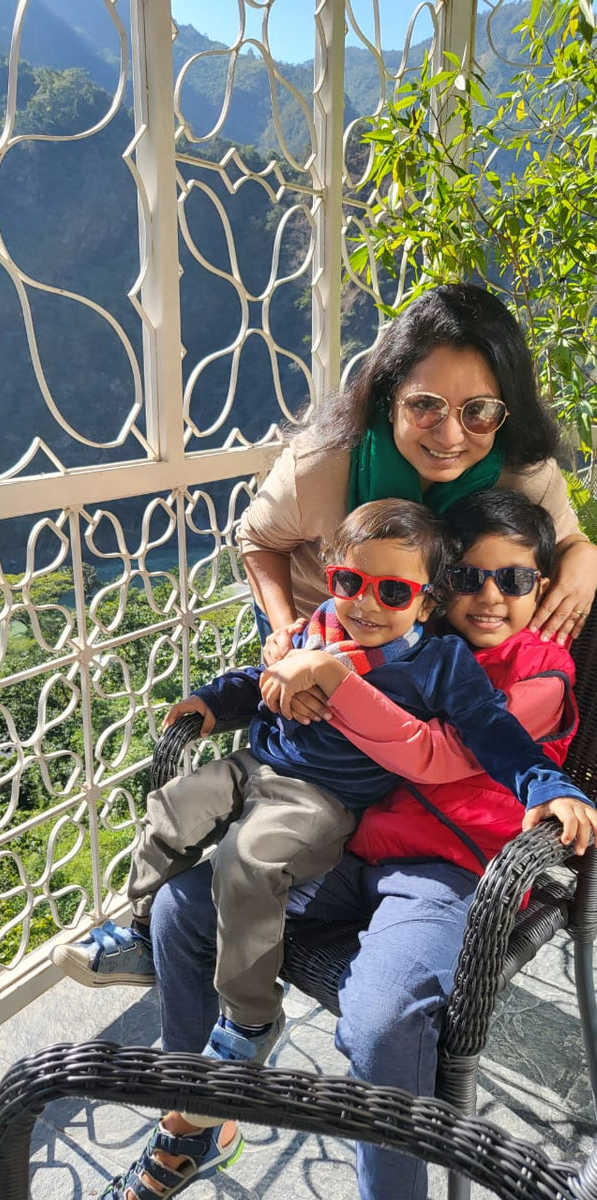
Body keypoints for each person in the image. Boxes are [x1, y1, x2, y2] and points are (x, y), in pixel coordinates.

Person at [63, 496, 596, 1200]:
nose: (490, 596)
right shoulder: (399, 633)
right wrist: (279, 672)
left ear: (539, 586)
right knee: (180, 908)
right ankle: (200, 1114)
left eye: (515, 580)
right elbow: (295, 640)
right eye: (469, 577)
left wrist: (546, 782)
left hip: (448, 871)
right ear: (441, 589)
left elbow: (441, 754)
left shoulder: (532, 670)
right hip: (353, 842)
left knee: (382, 1021)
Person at [237, 283, 597, 661]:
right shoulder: (322, 465)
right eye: (425, 405)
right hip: (325, 634)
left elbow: (568, 541)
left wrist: (584, 556)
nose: (450, 436)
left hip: (438, 646)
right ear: (389, 398)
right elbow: (258, 540)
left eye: (479, 410)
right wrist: (287, 634)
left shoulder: (524, 474)